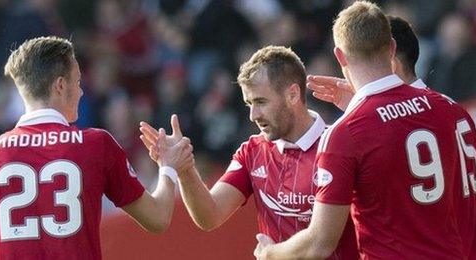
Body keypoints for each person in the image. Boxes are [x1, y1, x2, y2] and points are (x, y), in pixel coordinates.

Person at [254, 2, 476, 259]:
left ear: (339, 56)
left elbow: (320, 242)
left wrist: (271, 253)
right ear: (391, 48)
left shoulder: (347, 132)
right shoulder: (448, 108)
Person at [0, 36, 193, 260]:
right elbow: (158, 219)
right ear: (60, 85)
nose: (81, 91)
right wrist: (168, 168)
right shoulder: (97, 144)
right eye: (77, 82)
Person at [140, 46, 358, 259]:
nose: (253, 115)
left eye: (261, 102)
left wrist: (270, 254)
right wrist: (185, 168)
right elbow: (210, 215)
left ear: (292, 95)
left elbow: (321, 244)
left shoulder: (340, 146)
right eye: (249, 103)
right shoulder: (252, 151)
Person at [308, 15, 476, 232]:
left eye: (370, 58)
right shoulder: (448, 107)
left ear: (391, 60)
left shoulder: (391, 121)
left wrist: (363, 114)